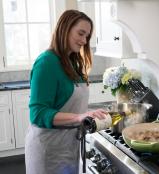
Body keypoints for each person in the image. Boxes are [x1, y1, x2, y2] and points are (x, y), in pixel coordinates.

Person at [25, 10, 107, 174]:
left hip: (68, 145)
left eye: (87, 36)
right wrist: (78, 117)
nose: (84, 41)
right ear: (65, 29)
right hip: (48, 149)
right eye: (81, 33)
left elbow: (70, 106)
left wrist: (87, 115)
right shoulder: (46, 62)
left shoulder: (71, 62)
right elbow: (38, 113)